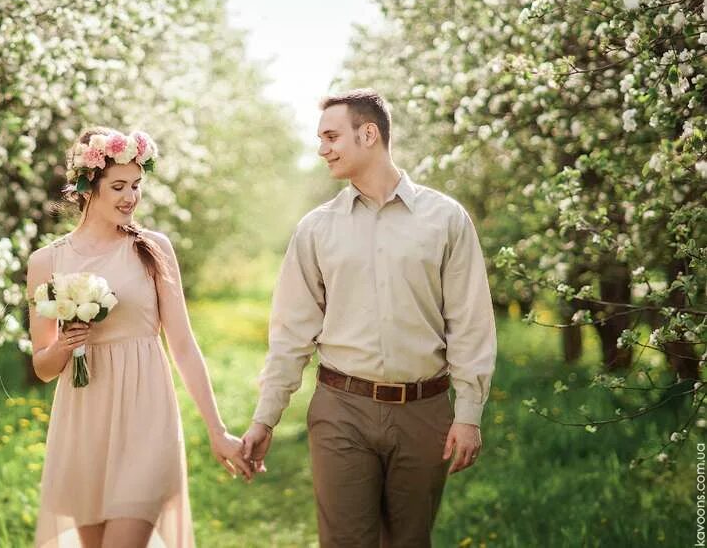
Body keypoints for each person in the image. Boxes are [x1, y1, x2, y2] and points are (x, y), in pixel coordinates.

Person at [241, 90, 497, 547]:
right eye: (321, 139)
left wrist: (470, 413)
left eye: (332, 137)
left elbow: (470, 321)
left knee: (410, 541)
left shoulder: (446, 219)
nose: (323, 150)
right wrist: (266, 418)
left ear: (369, 134)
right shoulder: (317, 229)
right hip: (342, 409)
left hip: (426, 411)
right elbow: (290, 334)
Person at [27, 127, 251, 548]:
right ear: (86, 187)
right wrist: (65, 344)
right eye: (118, 186)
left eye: (137, 185)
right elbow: (42, 367)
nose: (131, 197)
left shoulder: (153, 248)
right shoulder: (47, 261)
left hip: (147, 417)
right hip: (85, 423)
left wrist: (217, 430)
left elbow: (182, 345)